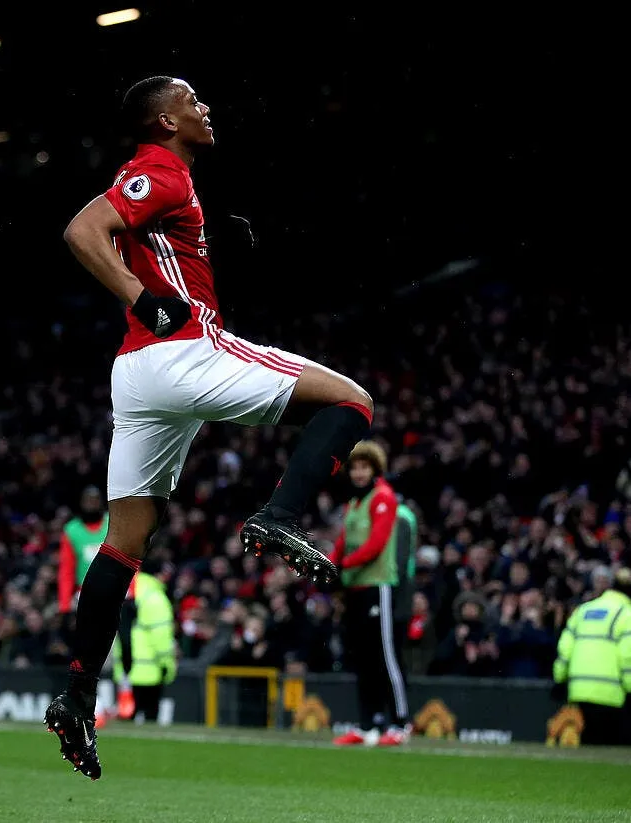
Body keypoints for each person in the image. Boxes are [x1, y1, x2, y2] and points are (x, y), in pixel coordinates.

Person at [46, 75, 373, 779]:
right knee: (352, 402)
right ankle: (279, 514)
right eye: (192, 101)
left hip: (137, 377)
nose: (206, 108)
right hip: (182, 349)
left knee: (125, 539)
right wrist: (145, 299)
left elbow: (141, 240)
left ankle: (76, 694)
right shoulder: (157, 169)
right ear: (164, 120)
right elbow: (82, 230)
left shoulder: (170, 181)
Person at [328, 441, 417, 747]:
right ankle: (368, 725)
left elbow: (376, 545)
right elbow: (343, 541)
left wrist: (342, 565)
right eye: (354, 467)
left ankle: (401, 723)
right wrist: (330, 564)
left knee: (386, 655)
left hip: (378, 586)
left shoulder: (384, 499)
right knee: (363, 658)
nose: (358, 472)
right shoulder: (353, 505)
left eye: (364, 466)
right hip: (355, 586)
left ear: (374, 469)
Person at [552, 566, 631, 745]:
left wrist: (559, 679)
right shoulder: (627, 614)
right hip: (610, 693)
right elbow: (629, 657)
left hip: (578, 690)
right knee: (606, 753)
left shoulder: (583, 610)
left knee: (585, 751)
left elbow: (565, 648)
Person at [110, 556, 177, 723]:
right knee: (149, 721)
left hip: (125, 669)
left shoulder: (126, 588)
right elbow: (161, 638)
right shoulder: (155, 597)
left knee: (125, 722)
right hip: (149, 671)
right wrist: (167, 665)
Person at [58, 486, 111, 615]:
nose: (92, 504)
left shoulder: (113, 523)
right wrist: (65, 604)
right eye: (88, 501)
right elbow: (67, 569)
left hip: (114, 590)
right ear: (81, 503)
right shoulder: (71, 530)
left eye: (95, 500)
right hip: (84, 594)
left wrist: (131, 590)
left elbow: (128, 557)